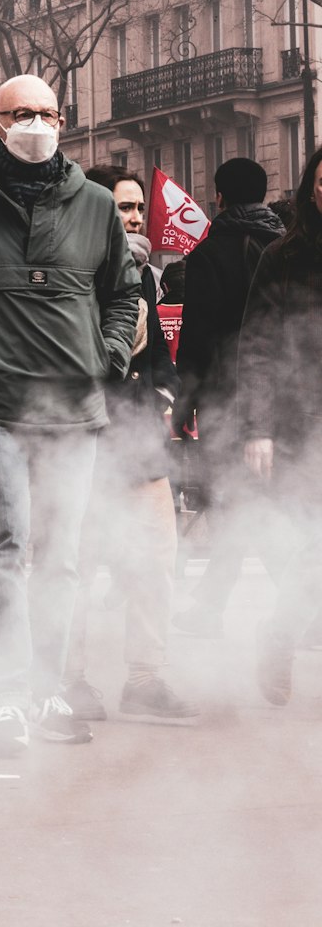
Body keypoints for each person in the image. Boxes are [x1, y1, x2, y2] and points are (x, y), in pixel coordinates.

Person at [0, 74, 140, 756]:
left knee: (62, 558)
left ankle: (47, 688)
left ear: (63, 119)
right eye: (21, 114)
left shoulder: (96, 204)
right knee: (5, 548)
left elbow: (125, 293)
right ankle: (6, 695)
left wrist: (109, 355)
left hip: (74, 405)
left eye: (44, 112)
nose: (34, 123)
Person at [64, 167, 197, 725]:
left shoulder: (143, 272)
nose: (136, 216)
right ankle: (67, 680)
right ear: (97, 211)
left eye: (139, 206)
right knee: (77, 561)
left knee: (155, 560)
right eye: (123, 208)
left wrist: (166, 392)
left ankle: (144, 679)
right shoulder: (74, 268)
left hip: (140, 439)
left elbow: (160, 356)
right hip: (86, 436)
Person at [171, 158, 286, 637]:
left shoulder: (207, 255)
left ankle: (220, 606)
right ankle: (216, 606)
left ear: (217, 196)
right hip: (281, 397)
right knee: (262, 502)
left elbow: (196, 340)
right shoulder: (286, 246)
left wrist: (184, 405)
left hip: (223, 397)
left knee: (235, 503)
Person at [238, 146, 322, 705]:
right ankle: (281, 637)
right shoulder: (282, 256)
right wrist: (258, 426)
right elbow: (258, 346)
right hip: (301, 420)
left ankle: (282, 635)